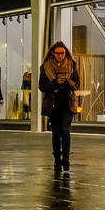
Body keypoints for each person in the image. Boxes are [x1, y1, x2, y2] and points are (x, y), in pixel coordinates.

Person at [38, 42, 78, 172]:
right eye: (58, 53)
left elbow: (77, 85)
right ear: (53, 54)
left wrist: (67, 82)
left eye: (62, 53)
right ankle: (57, 160)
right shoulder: (45, 67)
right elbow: (42, 86)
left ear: (66, 53)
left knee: (65, 131)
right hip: (53, 103)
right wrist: (54, 82)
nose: (60, 56)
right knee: (56, 132)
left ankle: (66, 159)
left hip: (67, 102)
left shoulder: (72, 65)